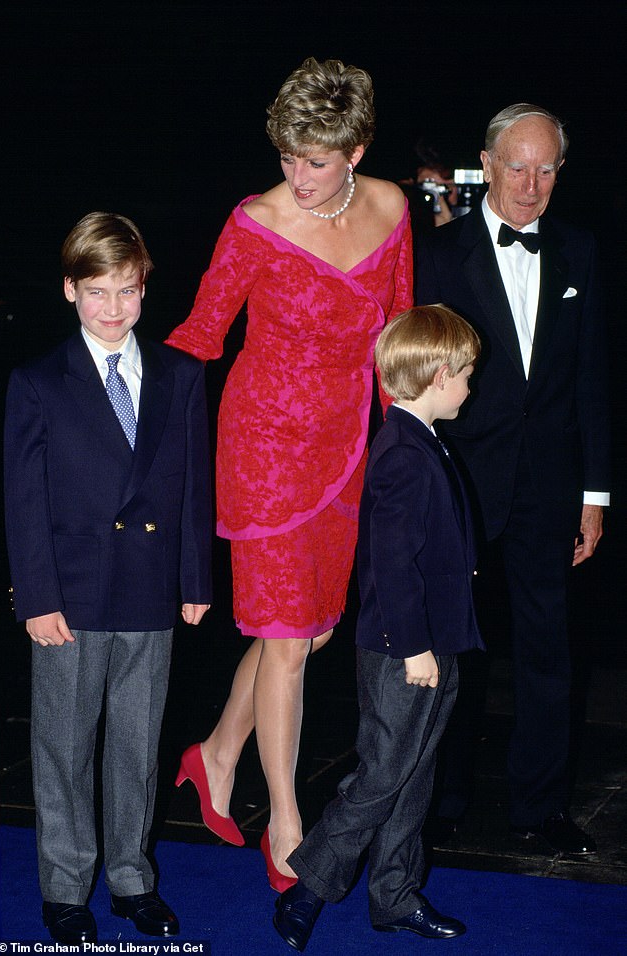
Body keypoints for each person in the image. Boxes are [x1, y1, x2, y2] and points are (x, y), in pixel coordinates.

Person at [166, 56, 413, 889]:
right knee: (285, 644)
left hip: (347, 449)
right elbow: (201, 332)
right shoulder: (255, 222)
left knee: (305, 632)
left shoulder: (389, 207)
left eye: (315, 160)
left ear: (356, 148)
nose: (297, 178)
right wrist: (107, 383)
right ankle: (288, 823)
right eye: (286, 157)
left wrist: (405, 451)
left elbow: (401, 337)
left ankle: (217, 752)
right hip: (265, 448)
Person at [3, 212, 212, 943]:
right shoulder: (37, 383)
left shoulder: (181, 376)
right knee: (63, 746)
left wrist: (194, 579)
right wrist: (35, 599)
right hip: (70, 593)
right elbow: (23, 503)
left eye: (127, 291)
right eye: (97, 293)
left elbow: (193, 486)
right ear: (69, 291)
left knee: (137, 742)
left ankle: (131, 879)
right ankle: (65, 890)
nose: (114, 309)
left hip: (149, 588)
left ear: (145, 290)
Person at [416, 104, 611, 854]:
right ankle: (441, 801)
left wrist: (595, 496)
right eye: (518, 166)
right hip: (458, 479)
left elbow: (593, 377)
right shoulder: (434, 257)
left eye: (547, 169)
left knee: (547, 650)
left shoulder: (582, 252)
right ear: (487, 165)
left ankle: (541, 809)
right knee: (451, 648)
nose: (530, 185)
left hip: (551, 488)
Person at [271, 305, 483, 952]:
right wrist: (416, 648)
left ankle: (393, 896)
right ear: (439, 374)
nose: (472, 387)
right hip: (404, 651)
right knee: (381, 775)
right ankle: (306, 888)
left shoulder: (421, 440)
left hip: (433, 644)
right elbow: (391, 567)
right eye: (468, 374)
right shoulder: (402, 455)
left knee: (415, 773)